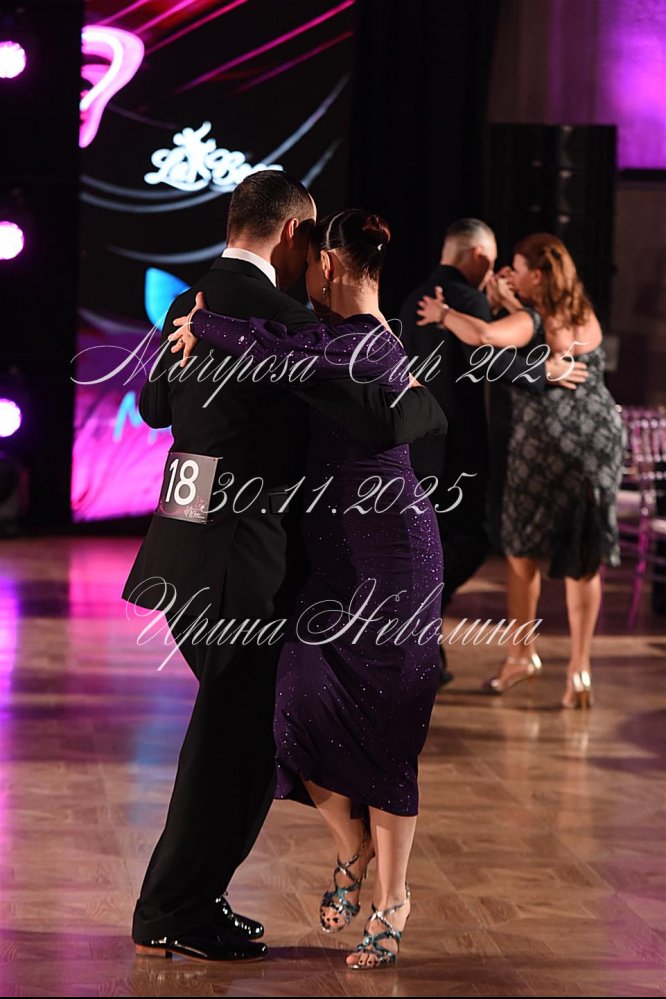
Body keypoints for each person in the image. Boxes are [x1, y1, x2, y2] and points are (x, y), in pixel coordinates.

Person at [123, 173, 447, 963]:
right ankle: (174, 907)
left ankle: (189, 898)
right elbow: (385, 419)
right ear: (296, 235)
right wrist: (421, 392)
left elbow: (157, 409)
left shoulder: (189, 303)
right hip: (242, 562)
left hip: (178, 551)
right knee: (233, 742)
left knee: (243, 735)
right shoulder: (289, 321)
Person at [417, 232, 624, 709]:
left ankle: (520, 655)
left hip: (547, 445)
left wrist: (444, 315)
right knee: (583, 553)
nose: (510, 274)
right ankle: (580, 669)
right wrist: (510, 299)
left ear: (540, 274)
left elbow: (486, 337)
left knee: (520, 550)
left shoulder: (532, 319)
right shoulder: (581, 312)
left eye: (518, 268)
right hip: (599, 440)